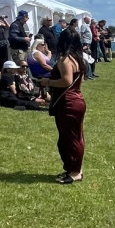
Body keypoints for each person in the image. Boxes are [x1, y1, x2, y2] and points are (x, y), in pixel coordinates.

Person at [40, 29, 86, 183]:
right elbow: (79, 80)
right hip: (77, 99)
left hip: (68, 102)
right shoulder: (79, 59)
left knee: (70, 138)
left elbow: (66, 81)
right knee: (75, 137)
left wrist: (47, 82)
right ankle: (75, 168)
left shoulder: (65, 60)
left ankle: (75, 172)